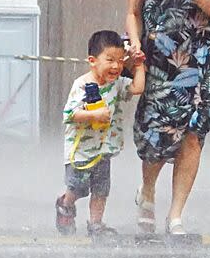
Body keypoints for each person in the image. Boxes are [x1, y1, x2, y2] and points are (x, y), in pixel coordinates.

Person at [125, 0, 210, 235]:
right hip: (160, 61)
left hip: (199, 60)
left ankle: (176, 214)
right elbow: (133, 11)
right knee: (157, 135)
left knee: (193, 136)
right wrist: (135, 48)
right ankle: (148, 191)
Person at [55, 30, 146, 236]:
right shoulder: (82, 86)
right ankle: (65, 204)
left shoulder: (116, 83)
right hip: (80, 151)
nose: (116, 66)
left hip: (103, 150)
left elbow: (137, 88)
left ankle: (96, 224)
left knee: (101, 189)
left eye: (120, 61)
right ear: (92, 61)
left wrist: (139, 65)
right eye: (110, 60)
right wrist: (93, 115)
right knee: (78, 188)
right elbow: (69, 115)